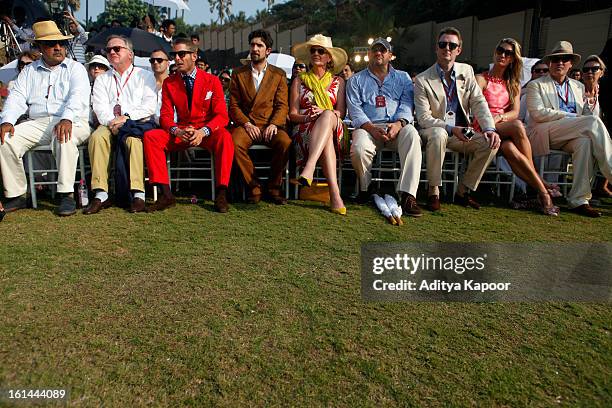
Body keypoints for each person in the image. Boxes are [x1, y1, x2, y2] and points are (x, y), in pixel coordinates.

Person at [0, 21, 90, 216]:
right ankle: (17, 194)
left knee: (63, 136)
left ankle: (66, 195)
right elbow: (16, 99)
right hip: (39, 123)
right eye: (51, 44)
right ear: (40, 47)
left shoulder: (76, 68)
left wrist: (66, 118)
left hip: (74, 120)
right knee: (5, 139)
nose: (58, 47)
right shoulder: (29, 71)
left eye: (61, 43)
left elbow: (78, 97)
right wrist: (7, 121)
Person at [414, 26, 501, 211]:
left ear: (458, 50)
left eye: (452, 45)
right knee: (438, 135)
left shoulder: (467, 71)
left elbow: (479, 102)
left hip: (464, 132)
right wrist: (450, 128)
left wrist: (489, 128)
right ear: (436, 48)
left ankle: (463, 190)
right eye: (442, 44)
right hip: (436, 131)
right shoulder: (422, 79)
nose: (447, 48)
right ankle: (434, 190)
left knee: (490, 142)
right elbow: (423, 118)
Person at [143, 38, 234, 213]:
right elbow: (165, 116)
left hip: (206, 132)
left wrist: (203, 131)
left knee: (225, 137)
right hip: (182, 131)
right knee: (151, 137)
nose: (176, 58)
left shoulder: (212, 81)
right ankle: (166, 194)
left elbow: (222, 115)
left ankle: (222, 193)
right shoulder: (170, 82)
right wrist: (176, 130)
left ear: (194, 56)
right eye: (174, 55)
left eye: (181, 54)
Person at [526, 41, 612, 217]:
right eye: (556, 59)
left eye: (564, 59)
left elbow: (585, 113)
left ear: (571, 64)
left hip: (572, 133)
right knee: (593, 123)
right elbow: (538, 114)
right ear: (550, 62)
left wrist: (589, 107)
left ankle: (579, 200)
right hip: (545, 131)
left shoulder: (578, 86)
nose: (560, 63)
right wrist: (574, 117)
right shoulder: (537, 84)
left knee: (585, 142)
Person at [475, 38, 558, 215]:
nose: (502, 55)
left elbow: (514, 111)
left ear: (513, 59)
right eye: (500, 50)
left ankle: (535, 191)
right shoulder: (481, 79)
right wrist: (493, 120)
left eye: (508, 53)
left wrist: (500, 117)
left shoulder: (513, 84)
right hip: (483, 126)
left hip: (503, 127)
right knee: (519, 126)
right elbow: (475, 107)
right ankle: (542, 187)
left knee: (511, 149)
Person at [347, 38, 423, 216]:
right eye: (375, 50)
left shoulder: (403, 77)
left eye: (383, 50)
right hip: (368, 127)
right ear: (368, 54)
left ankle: (407, 194)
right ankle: (366, 188)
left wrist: (398, 124)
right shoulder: (356, 80)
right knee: (358, 148)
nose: (378, 53)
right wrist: (372, 128)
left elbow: (406, 105)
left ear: (390, 55)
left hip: (396, 126)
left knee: (412, 135)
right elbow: (355, 110)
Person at [86, 35, 157, 214]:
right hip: (109, 123)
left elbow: (149, 105)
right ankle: (101, 193)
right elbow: (99, 106)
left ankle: (138, 194)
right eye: (109, 49)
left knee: (134, 141)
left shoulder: (145, 75)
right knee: (97, 137)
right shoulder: (103, 78)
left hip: (135, 123)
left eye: (117, 49)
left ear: (130, 54)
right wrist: (112, 122)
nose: (112, 52)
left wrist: (126, 117)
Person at [229, 29, 291, 205]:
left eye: (259, 45)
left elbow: (282, 105)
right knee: (234, 142)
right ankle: (253, 186)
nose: (255, 49)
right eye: (252, 45)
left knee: (285, 143)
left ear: (268, 51)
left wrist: (274, 124)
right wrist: (247, 124)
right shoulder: (238, 73)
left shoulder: (278, 74)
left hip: (271, 124)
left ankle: (273, 187)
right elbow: (233, 106)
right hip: (248, 124)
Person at [289, 34, 348, 215]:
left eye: (320, 51)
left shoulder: (339, 82)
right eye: (313, 50)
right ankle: (335, 195)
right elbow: (292, 115)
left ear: (328, 57)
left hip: (334, 125)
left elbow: (341, 113)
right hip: (305, 129)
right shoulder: (299, 81)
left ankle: (309, 168)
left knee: (329, 115)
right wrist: (308, 117)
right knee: (326, 136)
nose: (316, 53)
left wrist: (324, 113)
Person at [581, 54, 610, 198]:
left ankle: (596, 188)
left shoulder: (604, 94)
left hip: (600, 136)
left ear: (602, 72)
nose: (589, 72)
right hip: (579, 134)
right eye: (586, 69)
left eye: (594, 69)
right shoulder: (576, 90)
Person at [149, 49, 170, 124]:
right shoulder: (144, 82)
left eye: (159, 60)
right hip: (146, 124)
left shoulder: (174, 83)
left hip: (169, 125)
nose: (155, 62)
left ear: (168, 63)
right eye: (152, 60)